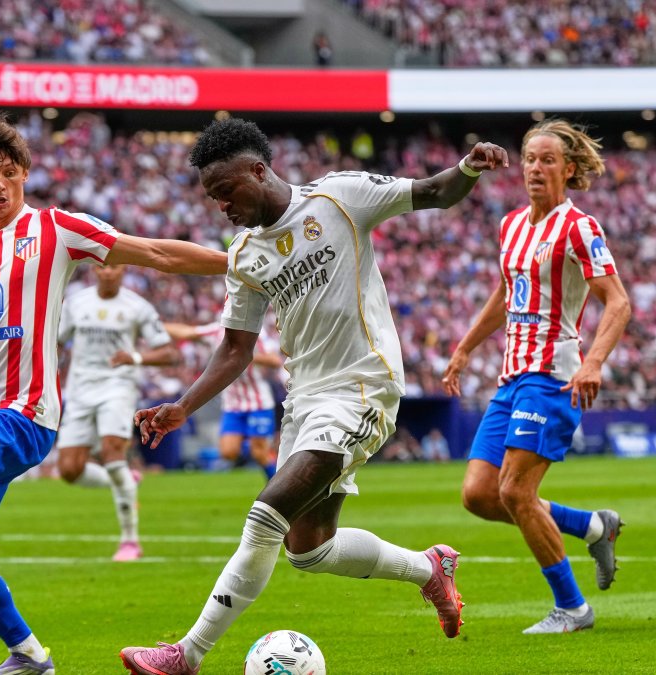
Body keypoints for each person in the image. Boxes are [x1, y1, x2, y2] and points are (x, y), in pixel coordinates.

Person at [119, 117, 508, 674]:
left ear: (259, 170)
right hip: (302, 402)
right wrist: (183, 405)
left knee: (265, 516)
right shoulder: (245, 256)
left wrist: (469, 166)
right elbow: (235, 348)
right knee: (309, 547)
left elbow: (434, 192)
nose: (221, 205)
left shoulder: (338, 198)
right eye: (212, 197)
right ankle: (430, 570)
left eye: (226, 191)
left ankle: (188, 654)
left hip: (362, 388)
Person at [0, 112, 226, 674]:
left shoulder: (55, 229)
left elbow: (152, 252)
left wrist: (237, 264)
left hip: (26, 412)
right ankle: (29, 656)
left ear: (26, 175)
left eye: (9, 173)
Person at [442, 119, 632, 634]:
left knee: (516, 493)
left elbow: (617, 302)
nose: (535, 168)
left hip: (553, 376)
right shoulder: (511, 226)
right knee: (480, 494)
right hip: (511, 377)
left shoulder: (580, 227)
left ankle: (572, 607)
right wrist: (463, 348)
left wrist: (593, 362)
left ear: (568, 169)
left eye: (548, 160)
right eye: (529, 159)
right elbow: (507, 295)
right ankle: (594, 526)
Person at [56, 263, 179, 562]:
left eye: (114, 266)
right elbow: (54, 342)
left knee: (112, 451)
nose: (108, 272)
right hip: (81, 388)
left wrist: (135, 357)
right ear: (94, 270)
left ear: (123, 270)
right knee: (69, 470)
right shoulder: (76, 303)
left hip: (118, 387)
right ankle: (123, 479)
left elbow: (168, 353)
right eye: (102, 266)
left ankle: (129, 541)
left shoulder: (137, 307)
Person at [165, 320, 282, 481]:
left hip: (258, 402)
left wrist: (244, 354)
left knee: (259, 454)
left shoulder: (257, 332)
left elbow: (275, 361)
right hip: (233, 404)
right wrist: (155, 322)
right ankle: (265, 450)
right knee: (228, 451)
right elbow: (186, 332)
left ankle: (278, 486)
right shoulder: (217, 331)